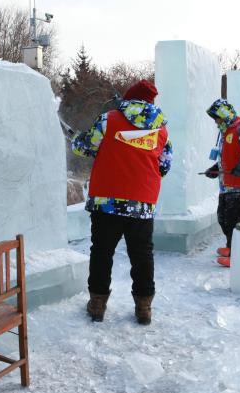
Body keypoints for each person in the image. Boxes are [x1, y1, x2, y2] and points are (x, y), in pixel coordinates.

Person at [71, 79, 173, 325]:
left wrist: (77, 140)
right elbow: (165, 165)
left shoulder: (109, 119)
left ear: (128, 98)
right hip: (142, 202)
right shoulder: (161, 129)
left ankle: (97, 305)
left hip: (107, 200)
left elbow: (85, 148)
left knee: (102, 253)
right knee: (142, 255)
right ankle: (144, 307)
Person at [203, 99, 240, 268]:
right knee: (223, 218)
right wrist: (215, 169)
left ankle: (237, 255)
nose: (215, 122)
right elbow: (227, 157)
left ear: (224, 115)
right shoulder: (226, 132)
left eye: (217, 118)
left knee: (234, 220)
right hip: (228, 184)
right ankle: (231, 247)